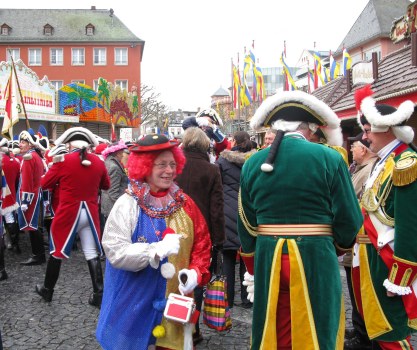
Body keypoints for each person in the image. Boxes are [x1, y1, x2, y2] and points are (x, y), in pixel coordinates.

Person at [237, 90, 363, 350]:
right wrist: (336, 247)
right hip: (315, 253)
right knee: (319, 323)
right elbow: (349, 218)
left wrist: (252, 263)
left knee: (276, 325)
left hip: (269, 255)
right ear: (309, 128)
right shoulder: (330, 158)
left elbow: (246, 222)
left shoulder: (252, 163)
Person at [96, 134, 212, 350]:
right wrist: (154, 251)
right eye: (161, 165)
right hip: (135, 303)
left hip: (175, 309)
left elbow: (202, 244)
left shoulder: (185, 204)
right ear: (145, 167)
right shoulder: (127, 204)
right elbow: (115, 251)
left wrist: (196, 272)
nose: (169, 170)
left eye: (172, 164)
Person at [350, 85, 417, 349]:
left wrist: (401, 277)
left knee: (391, 330)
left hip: (386, 258)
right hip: (368, 255)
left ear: (386, 128)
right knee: (376, 328)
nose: (365, 138)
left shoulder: (406, 163)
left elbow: (410, 225)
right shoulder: (384, 160)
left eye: (368, 131)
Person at [35, 127, 110, 308]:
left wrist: (53, 168)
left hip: (69, 214)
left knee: (57, 252)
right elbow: (106, 185)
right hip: (90, 214)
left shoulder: (62, 161)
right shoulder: (99, 162)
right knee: (91, 252)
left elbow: (44, 184)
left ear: (69, 144)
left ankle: (47, 290)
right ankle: (98, 294)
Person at [175, 127, 225, 344]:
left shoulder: (173, 166)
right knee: (195, 279)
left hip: (172, 228)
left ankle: (172, 326)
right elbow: (216, 208)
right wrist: (219, 239)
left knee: (172, 276)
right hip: (200, 232)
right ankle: (192, 329)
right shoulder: (211, 170)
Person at [343, 132, 378, 350]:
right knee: (354, 289)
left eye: (354, 146)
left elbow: (360, 201)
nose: (351, 150)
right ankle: (359, 328)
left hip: (362, 238)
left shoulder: (369, 171)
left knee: (361, 290)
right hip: (355, 238)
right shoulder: (358, 168)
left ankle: (364, 335)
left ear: (363, 150)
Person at [216, 130, 256, 310]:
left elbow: (218, 187)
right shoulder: (255, 161)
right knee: (247, 255)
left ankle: (228, 299)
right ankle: (247, 298)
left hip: (227, 212)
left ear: (234, 141)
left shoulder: (223, 161)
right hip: (247, 211)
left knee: (228, 258)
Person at [17, 129, 46, 266]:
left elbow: (27, 181)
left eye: (23, 142)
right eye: (20, 142)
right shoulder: (35, 155)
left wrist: (25, 201)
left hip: (31, 196)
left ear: (30, 144)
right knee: (36, 226)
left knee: (32, 226)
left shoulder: (29, 158)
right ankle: (39, 255)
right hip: (36, 194)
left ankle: (37, 255)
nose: (20, 145)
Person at [100, 140, 129, 221]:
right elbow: (113, 192)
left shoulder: (108, 162)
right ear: (117, 153)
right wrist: (121, 207)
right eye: (122, 152)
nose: (123, 155)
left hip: (107, 206)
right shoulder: (114, 167)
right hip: (112, 209)